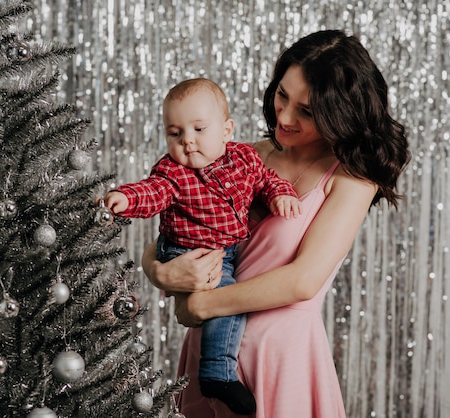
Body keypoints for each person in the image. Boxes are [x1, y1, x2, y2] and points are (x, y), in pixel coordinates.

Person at [142, 30, 410, 417]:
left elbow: (302, 281)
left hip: (281, 355)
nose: (284, 116)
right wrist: (161, 275)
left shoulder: (351, 178)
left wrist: (200, 305)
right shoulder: (245, 156)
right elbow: (169, 234)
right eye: (283, 95)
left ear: (340, 114)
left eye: (307, 110)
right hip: (210, 356)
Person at [102, 78, 302, 414]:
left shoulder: (245, 158)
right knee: (227, 299)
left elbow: (266, 181)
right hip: (186, 251)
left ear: (227, 130)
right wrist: (125, 197)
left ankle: (216, 369)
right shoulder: (173, 172)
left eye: (198, 129)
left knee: (225, 294)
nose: (188, 142)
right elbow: (153, 191)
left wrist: (280, 194)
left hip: (226, 253)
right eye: (175, 133)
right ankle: (217, 374)